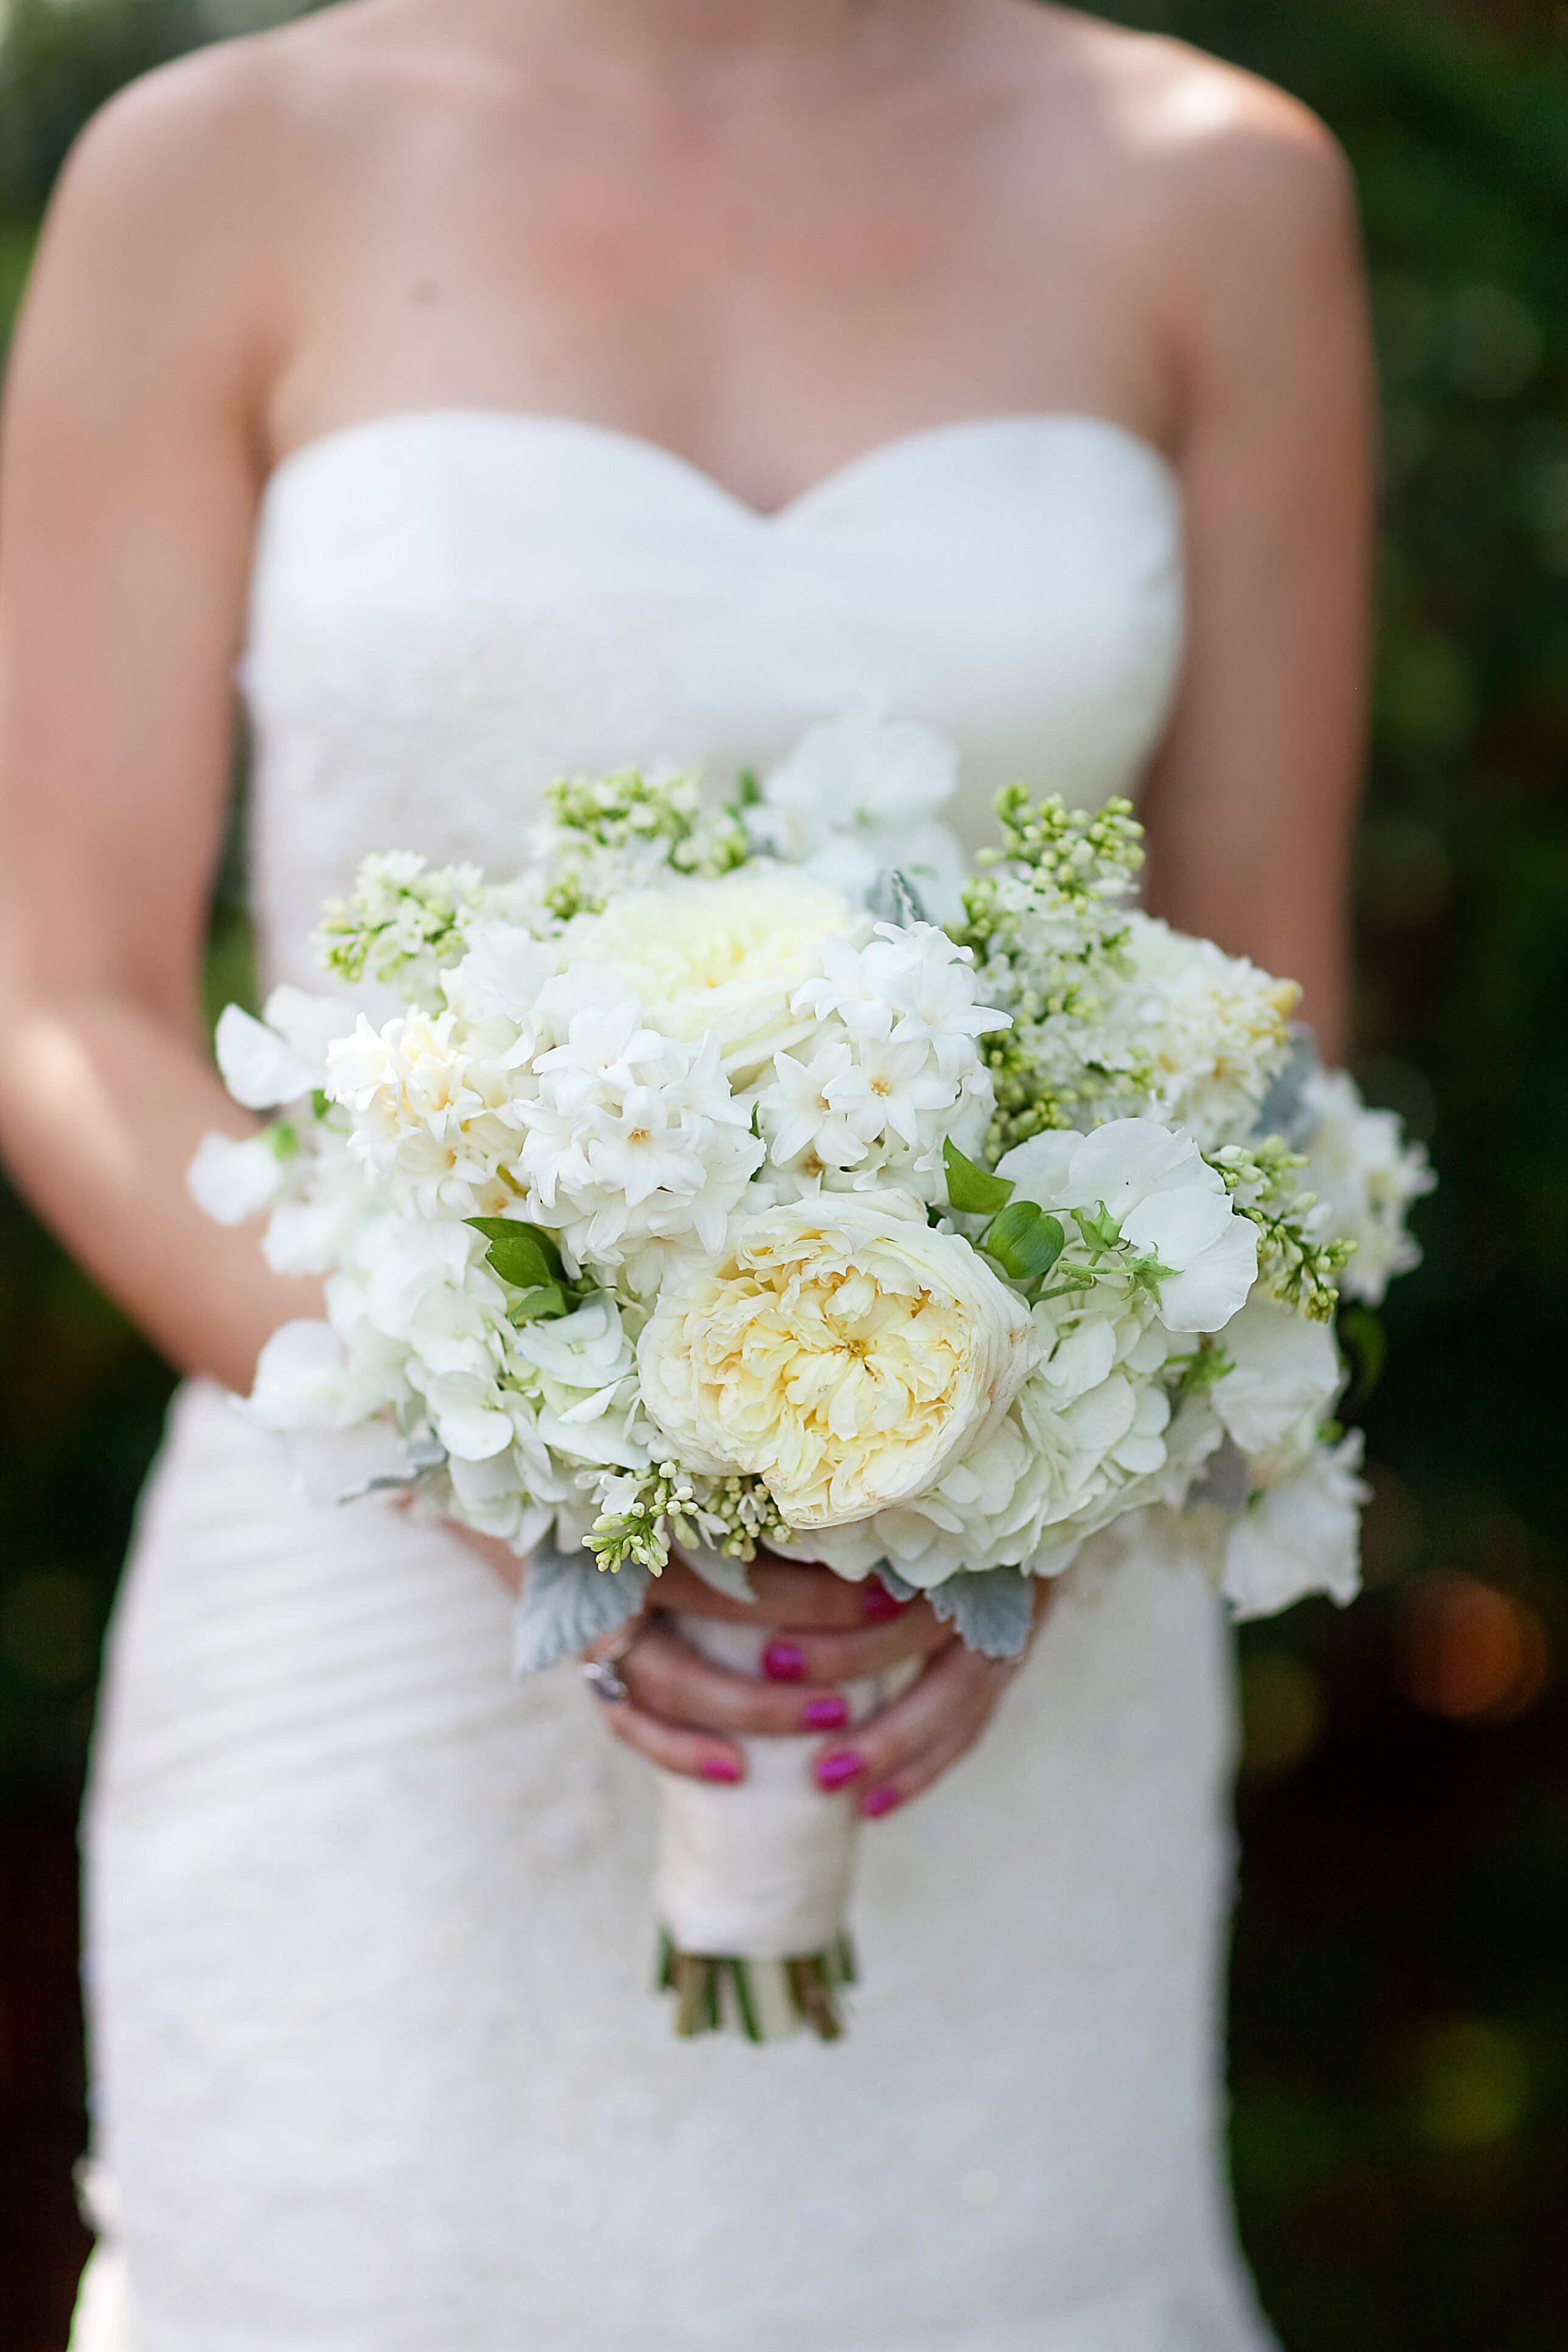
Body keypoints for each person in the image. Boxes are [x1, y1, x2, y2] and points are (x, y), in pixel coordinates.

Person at [0, 0, 1371, 2343]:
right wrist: (494, 1439)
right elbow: (68, 1003)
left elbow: (1267, 1023)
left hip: (994, 1640)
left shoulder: (1213, 185)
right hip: (372, 1602)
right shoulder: (216, 166)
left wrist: (1026, 1481)